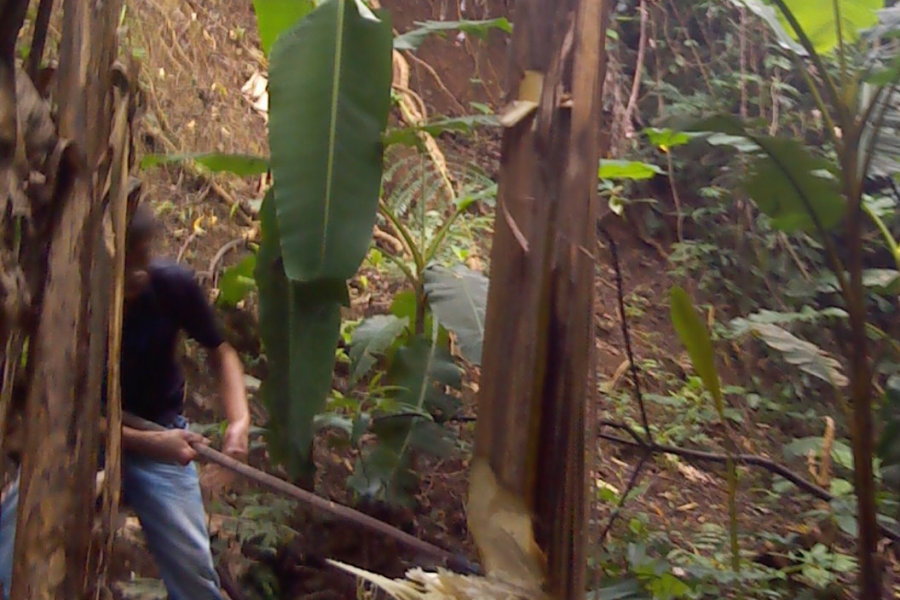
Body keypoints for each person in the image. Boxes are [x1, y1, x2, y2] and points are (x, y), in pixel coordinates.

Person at [0, 203, 250, 600]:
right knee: (10, 544)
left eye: (144, 257)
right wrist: (152, 443)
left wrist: (238, 421)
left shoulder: (172, 286)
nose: (138, 272)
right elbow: (66, 410)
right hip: (80, 436)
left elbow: (221, 352)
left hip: (161, 433)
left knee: (194, 574)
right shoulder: (71, 302)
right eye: (127, 259)